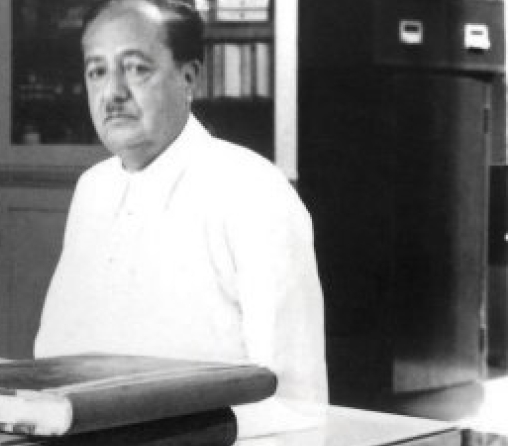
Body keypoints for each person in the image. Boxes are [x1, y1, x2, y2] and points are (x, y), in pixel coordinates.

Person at [33, 0, 327, 433]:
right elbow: (54, 359)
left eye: (136, 69)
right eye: (97, 71)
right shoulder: (93, 190)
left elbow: (294, 403)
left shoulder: (252, 190)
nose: (112, 92)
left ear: (188, 78)